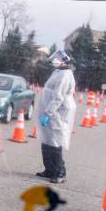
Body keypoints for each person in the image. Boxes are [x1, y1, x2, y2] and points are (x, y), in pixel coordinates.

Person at [36, 50, 76, 184]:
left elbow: (58, 97)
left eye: (58, 58)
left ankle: (60, 173)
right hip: (50, 110)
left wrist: (49, 113)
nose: (55, 60)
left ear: (65, 60)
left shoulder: (65, 75)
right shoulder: (58, 71)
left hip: (58, 112)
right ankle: (49, 170)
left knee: (55, 141)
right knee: (46, 139)